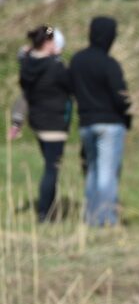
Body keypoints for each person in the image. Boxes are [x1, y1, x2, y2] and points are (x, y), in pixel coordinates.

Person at [70, 16, 132, 227]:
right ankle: (106, 219)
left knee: (93, 172)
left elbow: (70, 87)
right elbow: (121, 97)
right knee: (107, 173)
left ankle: (91, 217)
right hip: (110, 124)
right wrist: (127, 115)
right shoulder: (109, 64)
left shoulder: (77, 60)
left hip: (86, 123)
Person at [18, 25, 72, 222]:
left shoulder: (27, 65)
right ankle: (45, 213)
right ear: (49, 44)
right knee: (52, 168)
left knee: (49, 165)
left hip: (38, 122)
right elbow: (71, 85)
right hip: (55, 124)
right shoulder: (55, 67)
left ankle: (48, 210)